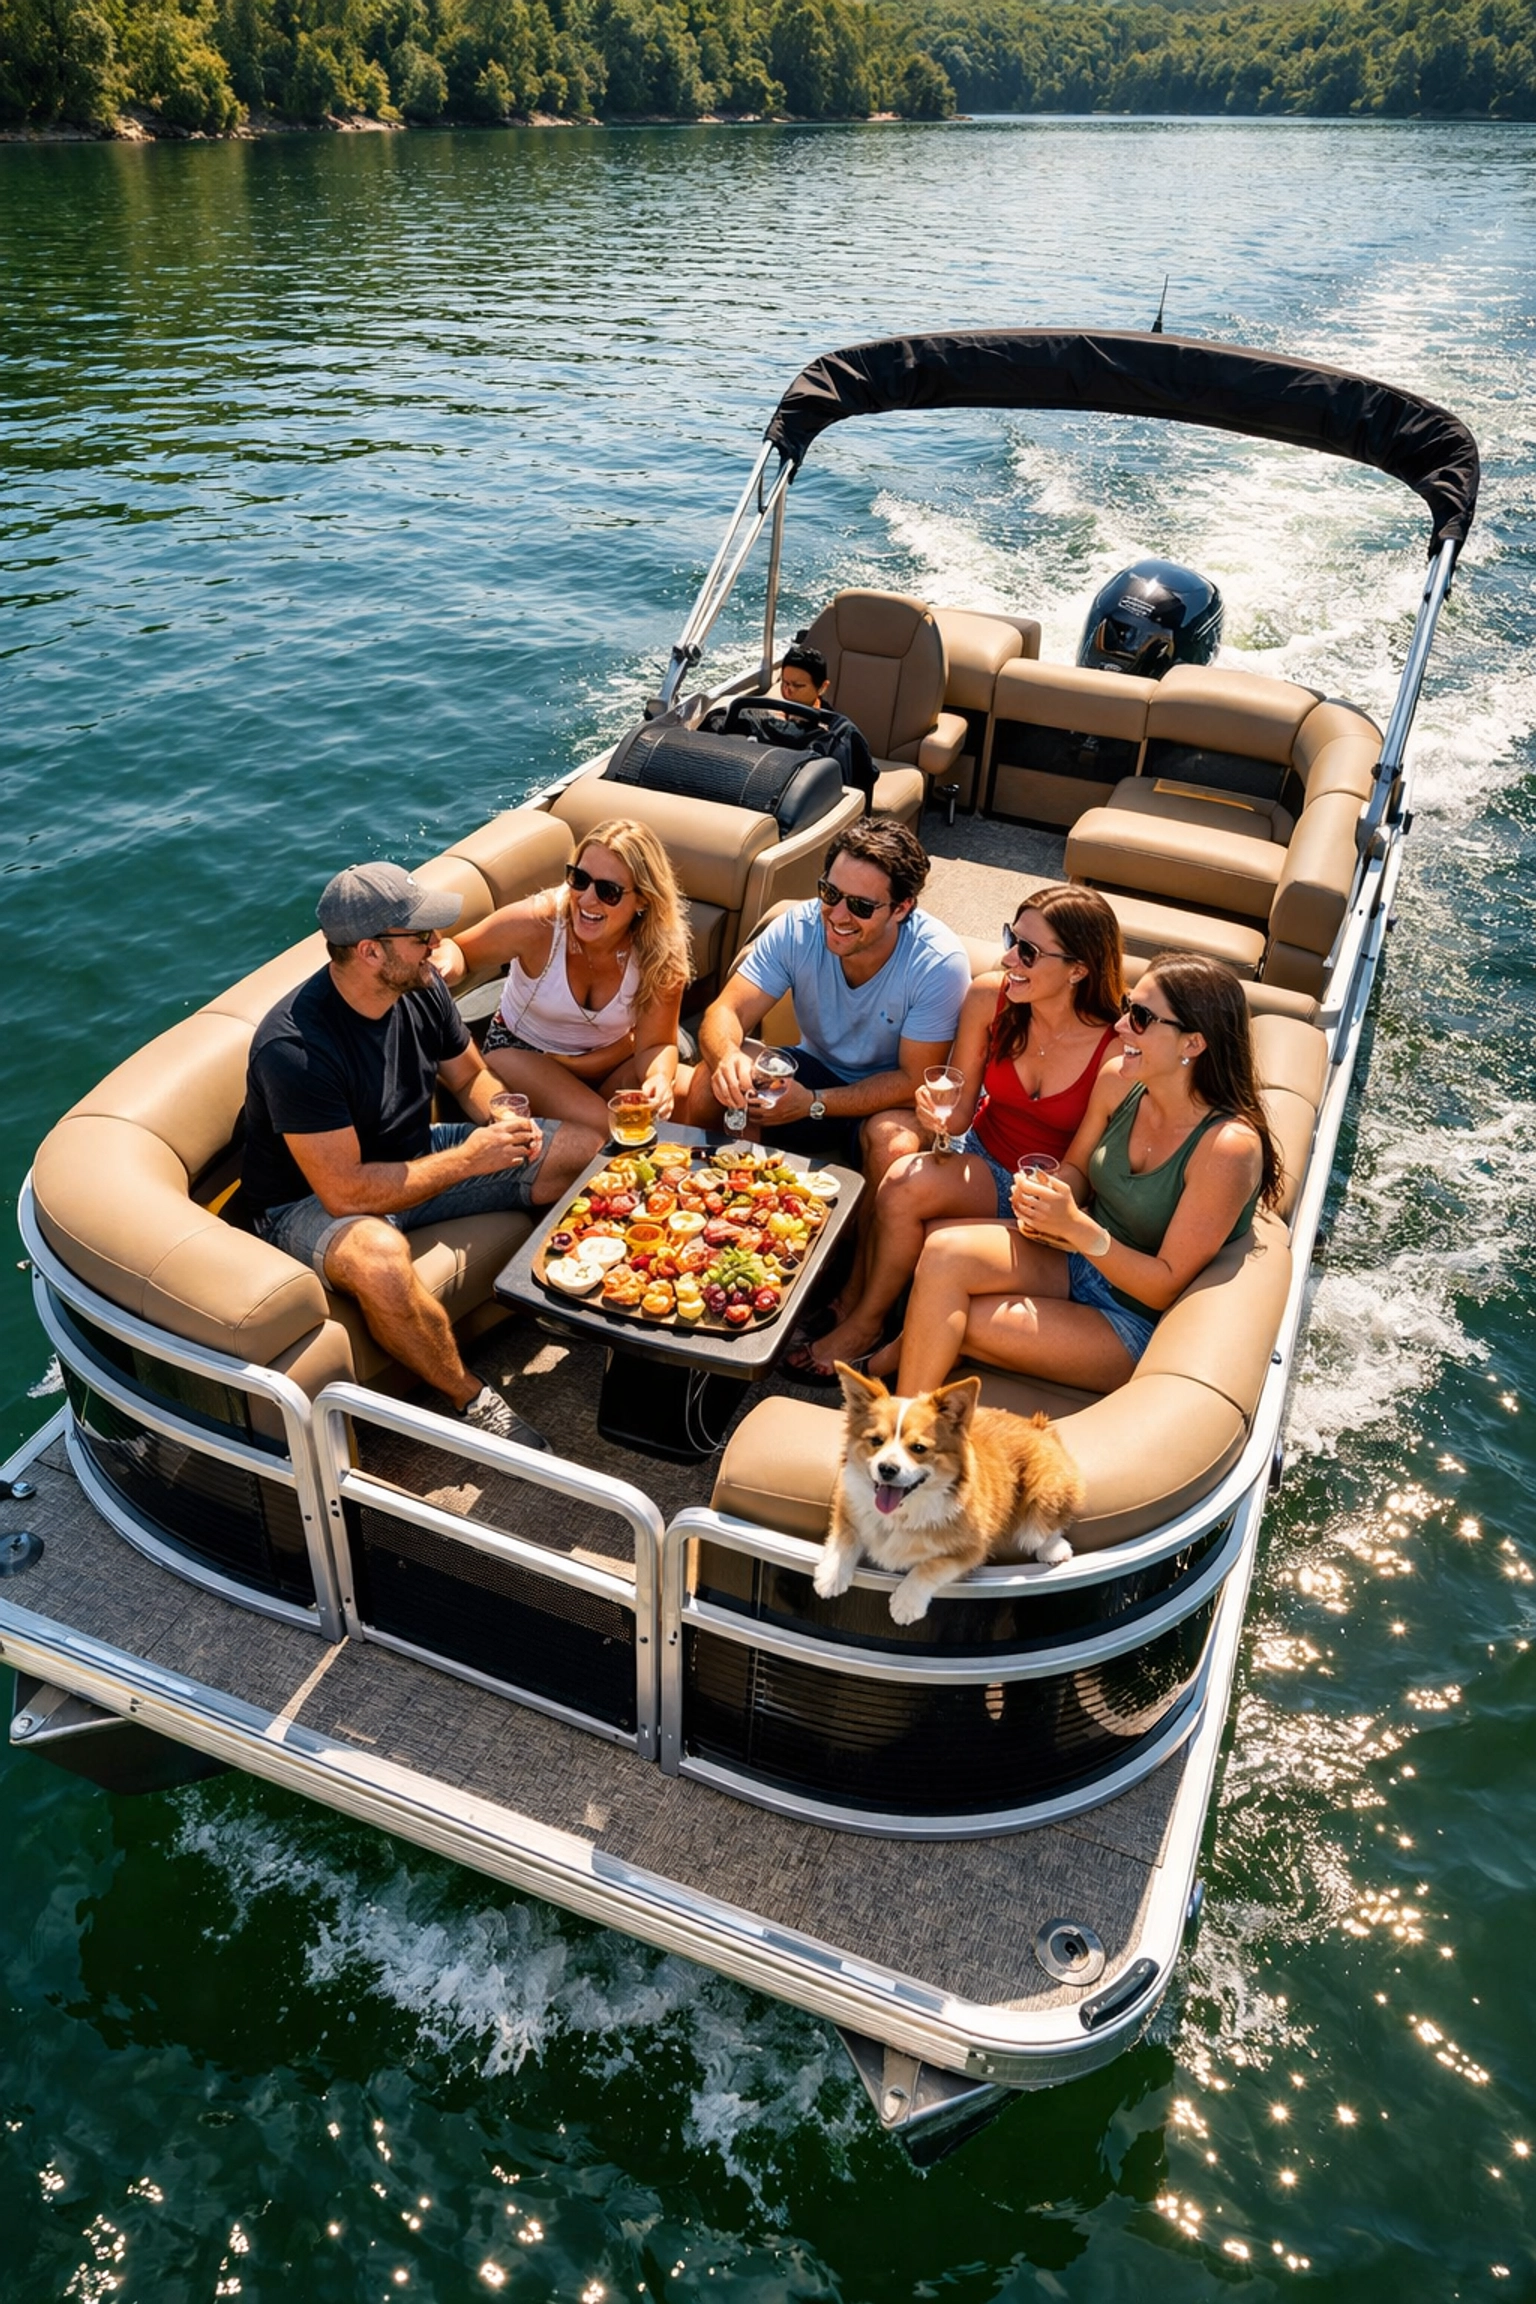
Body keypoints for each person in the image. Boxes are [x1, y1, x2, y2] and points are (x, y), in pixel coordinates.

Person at [237, 861, 603, 1450]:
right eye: (421, 936)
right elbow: (346, 1192)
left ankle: (574, 1301)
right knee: (380, 1255)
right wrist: (468, 1160)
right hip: (307, 1203)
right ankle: (472, 1399)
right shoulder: (295, 1049)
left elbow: (469, 1077)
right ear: (370, 953)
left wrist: (502, 1119)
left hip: (411, 1155)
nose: (438, 946)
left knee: (581, 1151)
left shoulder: (422, 985)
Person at [888, 954, 1282, 1399]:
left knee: (956, 1318)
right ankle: (903, 1412)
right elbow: (1076, 1169)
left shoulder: (1228, 1148)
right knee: (941, 1252)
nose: (1119, 1027)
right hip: (1077, 1258)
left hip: (1130, 1317)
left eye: (1141, 1017)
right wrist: (1052, 1193)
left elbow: (1162, 1286)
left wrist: (1075, 1226)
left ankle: (903, 1437)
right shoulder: (1118, 1080)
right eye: (1129, 1006)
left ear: (1192, 1044)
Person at [801, 885, 1123, 1380]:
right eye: (1011, 938)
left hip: (1048, 1194)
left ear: (1079, 969)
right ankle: (864, 1320)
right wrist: (936, 1116)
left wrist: (1051, 1202)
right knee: (903, 1179)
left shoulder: (1115, 1049)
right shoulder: (988, 997)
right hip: (984, 1157)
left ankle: (872, 1326)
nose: (1009, 957)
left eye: (1029, 952)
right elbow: (958, 1113)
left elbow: (1086, 1167)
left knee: (927, 1218)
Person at [682, 813, 972, 1174]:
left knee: (893, 1144)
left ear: (902, 908)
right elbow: (726, 1011)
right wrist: (726, 1059)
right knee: (711, 1085)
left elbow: (911, 1079)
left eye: (861, 906)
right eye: (830, 893)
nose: (837, 915)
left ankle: (867, 1232)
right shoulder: (797, 928)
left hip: (889, 1100)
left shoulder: (938, 963)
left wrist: (814, 1103)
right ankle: (722, 1212)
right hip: (813, 1071)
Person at [433, 818, 692, 1134]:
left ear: (643, 899)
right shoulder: (538, 923)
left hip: (610, 1063)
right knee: (612, 1128)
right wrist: (446, 963)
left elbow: (656, 1045)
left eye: (608, 891)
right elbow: (461, 952)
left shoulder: (660, 950)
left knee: (700, 1097)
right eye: (579, 879)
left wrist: (659, 1080)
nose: (586, 899)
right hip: (525, 1056)